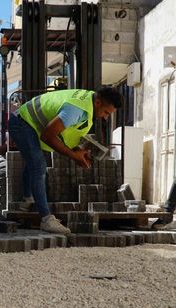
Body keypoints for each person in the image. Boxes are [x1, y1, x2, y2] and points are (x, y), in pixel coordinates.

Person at [9, 87, 123, 234]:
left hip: (32, 123)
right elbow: (47, 136)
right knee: (39, 167)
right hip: (22, 122)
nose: (105, 117)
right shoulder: (75, 110)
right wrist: (73, 155)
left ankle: (27, 201)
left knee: (34, 161)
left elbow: (65, 133)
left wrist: (77, 150)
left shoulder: (88, 100)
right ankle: (46, 219)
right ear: (98, 102)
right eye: (106, 112)